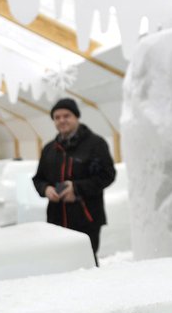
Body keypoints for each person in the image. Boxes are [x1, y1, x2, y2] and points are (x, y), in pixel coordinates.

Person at [32, 97, 116, 264]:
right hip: (56, 219)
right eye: (57, 117)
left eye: (66, 115)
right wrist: (46, 189)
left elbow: (107, 175)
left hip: (86, 217)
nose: (62, 120)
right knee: (61, 261)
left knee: (85, 262)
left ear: (76, 117)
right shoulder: (50, 149)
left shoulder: (95, 144)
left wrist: (76, 188)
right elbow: (38, 178)